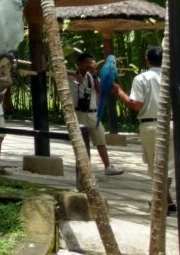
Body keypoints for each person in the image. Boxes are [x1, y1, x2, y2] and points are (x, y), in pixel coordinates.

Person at [113, 45, 175, 211]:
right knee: (168, 164)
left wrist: (119, 92)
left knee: (156, 165)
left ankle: (160, 201)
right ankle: (167, 200)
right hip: (172, 124)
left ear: (147, 59)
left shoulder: (142, 78)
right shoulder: (172, 77)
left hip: (152, 126)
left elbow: (137, 105)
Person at [70, 53, 123, 176]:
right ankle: (84, 169)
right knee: (80, 144)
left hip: (93, 114)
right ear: (79, 63)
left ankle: (108, 166)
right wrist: (74, 74)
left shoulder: (91, 77)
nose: (89, 65)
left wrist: (94, 75)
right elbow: (58, 72)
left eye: (91, 62)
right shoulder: (70, 75)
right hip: (78, 114)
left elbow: (100, 90)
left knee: (100, 140)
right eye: (86, 62)